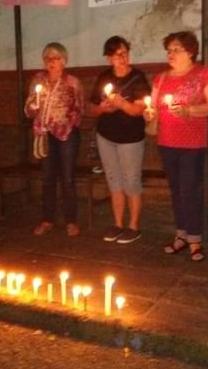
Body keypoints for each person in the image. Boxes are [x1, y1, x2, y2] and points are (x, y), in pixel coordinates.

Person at [144, 31, 208, 262]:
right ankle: (181, 235)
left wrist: (189, 110)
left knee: (190, 190)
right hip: (167, 141)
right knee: (176, 190)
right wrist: (150, 114)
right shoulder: (161, 78)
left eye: (176, 49)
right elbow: (154, 108)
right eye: (169, 49)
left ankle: (195, 239)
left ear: (190, 52)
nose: (171, 53)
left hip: (192, 143)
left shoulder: (203, 74)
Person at [87, 36, 151, 244]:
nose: (122, 58)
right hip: (106, 136)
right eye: (117, 55)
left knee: (131, 181)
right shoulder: (104, 77)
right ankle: (117, 224)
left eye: (124, 53)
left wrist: (122, 104)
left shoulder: (138, 78)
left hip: (130, 138)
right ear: (109, 59)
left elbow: (139, 110)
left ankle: (133, 226)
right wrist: (103, 108)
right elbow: (92, 109)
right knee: (114, 180)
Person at [24, 42, 85, 237]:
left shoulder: (72, 81)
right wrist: (33, 108)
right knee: (47, 178)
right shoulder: (38, 80)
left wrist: (67, 121)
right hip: (45, 134)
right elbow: (29, 107)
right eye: (48, 58)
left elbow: (80, 107)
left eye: (56, 58)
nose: (51, 62)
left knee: (67, 178)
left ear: (64, 61)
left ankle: (71, 220)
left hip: (66, 134)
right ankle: (47, 219)